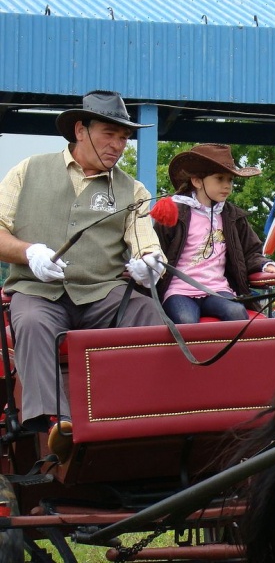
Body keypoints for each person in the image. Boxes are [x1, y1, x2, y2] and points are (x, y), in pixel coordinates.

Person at [0, 90, 165, 462]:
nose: (118, 145)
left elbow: (146, 242)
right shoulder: (27, 171)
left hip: (103, 293)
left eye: (124, 137)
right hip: (37, 291)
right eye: (110, 134)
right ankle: (57, 423)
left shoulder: (133, 190)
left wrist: (150, 263)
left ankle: (142, 412)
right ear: (80, 130)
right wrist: (29, 252)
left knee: (149, 314)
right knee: (32, 322)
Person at [154, 143, 275, 324]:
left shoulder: (233, 216)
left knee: (237, 312)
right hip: (179, 290)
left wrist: (264, 265)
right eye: (220, 179)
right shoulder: (174, 213)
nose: (227, 186)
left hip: (217, 289)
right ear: (197, 181)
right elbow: (155, 251)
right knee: (185, 319)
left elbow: (251, 252)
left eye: (230, 180)